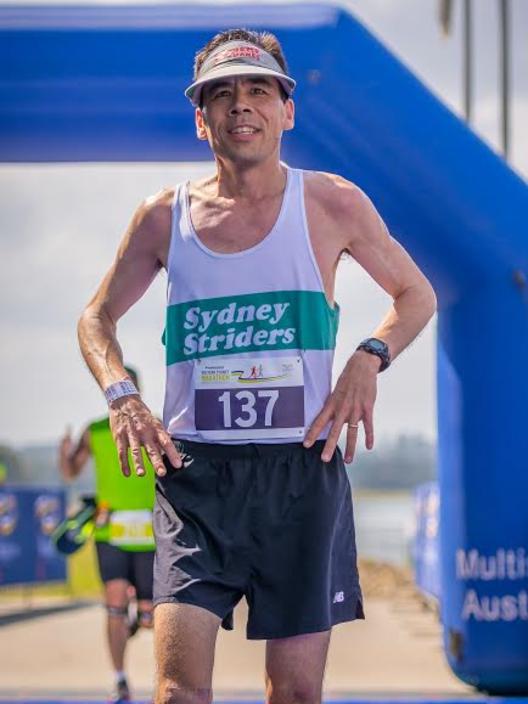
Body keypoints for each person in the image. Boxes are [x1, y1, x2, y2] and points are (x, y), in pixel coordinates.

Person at [77, 29, 437, 704]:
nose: (241, 106)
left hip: (300, 472)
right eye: (222, 94)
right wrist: (122, 394)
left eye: (258, 90)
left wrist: (369, 355)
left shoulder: (333, 203)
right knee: (177, 692)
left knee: (294, 693)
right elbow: (95, 318)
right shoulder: (164, 218)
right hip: (195, 477)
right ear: (200, 117)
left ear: (286, 110)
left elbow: (415, 295)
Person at [59, 366, 156, 703]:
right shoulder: (95, 431)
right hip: (110, 533)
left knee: (150, 618)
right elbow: (71, 472)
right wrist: (64, 454)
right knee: (113, 603)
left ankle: (140, 619)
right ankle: (119, 680)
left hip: (150, 536)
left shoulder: (154, 426)